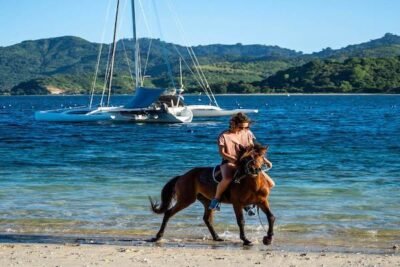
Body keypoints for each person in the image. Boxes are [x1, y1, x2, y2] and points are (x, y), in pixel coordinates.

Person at [209, 112, 275, 211]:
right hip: (229, 161)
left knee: (271, 183)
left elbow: (253, 150)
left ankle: (251, 200)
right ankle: (216, 199)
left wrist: (265, 160)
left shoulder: (248, 133)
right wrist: (235, 159)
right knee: (227, 178)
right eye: (241, 127)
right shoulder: (224, 136)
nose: (243, 130)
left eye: (246, 127)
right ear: (233, 124)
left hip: (247, 162)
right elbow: (222, 153)